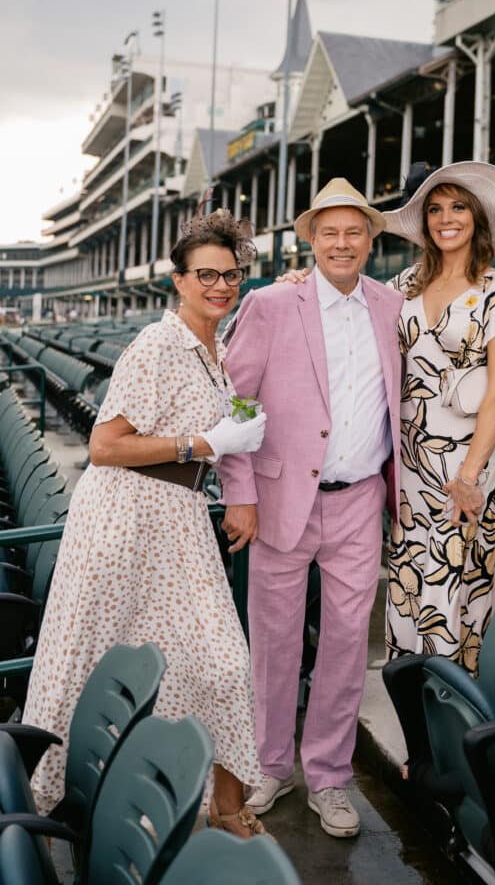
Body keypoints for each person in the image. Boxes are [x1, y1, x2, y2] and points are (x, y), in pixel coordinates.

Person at [23, 209, 269, 836]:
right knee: (94, 661)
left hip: (176, 517)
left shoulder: (213, 347)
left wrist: (228, 436)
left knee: (219, 661)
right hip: (126, 518)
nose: (221, 285)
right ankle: (56, 799)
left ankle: (220, 804)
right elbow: (105, 445)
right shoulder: (158, 345)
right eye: (206, 274)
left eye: (231, 275)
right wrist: (203, 444)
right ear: (178, 280)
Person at [218, 178, 403, 839]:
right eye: (330, 232)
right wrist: (239, 493)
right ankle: (271, 765)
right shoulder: (271, 303)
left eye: (354, 232)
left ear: (370, 240)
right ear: (312, 240)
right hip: (279, 498)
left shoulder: (392, 304)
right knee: (274, 641)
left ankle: (328, 775)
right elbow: (236, 401)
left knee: (349, 645)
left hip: (360, 499)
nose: (342, 243)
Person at [382, 162, 495, 672]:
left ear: (476, 217)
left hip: (467, 461)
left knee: (460, 585)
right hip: (410, 464)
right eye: (435, 209)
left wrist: (469, 476)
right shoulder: (401, 285)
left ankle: (455, 707)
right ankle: (414, 713)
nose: (446, 219)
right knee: (410, 580)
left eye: (458, 207)